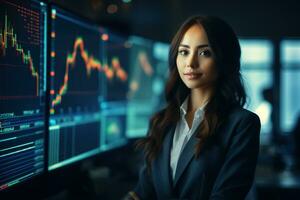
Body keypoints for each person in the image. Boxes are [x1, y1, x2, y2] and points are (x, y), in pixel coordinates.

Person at [124, 15, 261, 200]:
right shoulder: (161, 122)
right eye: (184, 52)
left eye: (204, 52)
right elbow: (143, 192)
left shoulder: (242, 124)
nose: (190, 63)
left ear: (224, 59)